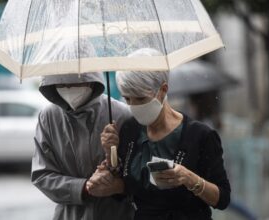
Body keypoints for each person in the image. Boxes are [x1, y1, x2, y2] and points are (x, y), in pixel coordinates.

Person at [98, 48, 231, 220]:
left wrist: (189, 178)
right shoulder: (129, 130)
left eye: (140, 99)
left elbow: (222, 199)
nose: (133, 106)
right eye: (127, 99)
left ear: (162, 90)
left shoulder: (200, 135)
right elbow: (123, 193)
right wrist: (110, 156)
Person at [31, 71, 133, 220]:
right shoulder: (48, 117)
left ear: (92, 81)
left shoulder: (121, 114)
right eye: (62, 84)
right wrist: (84, 188)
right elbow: (42, 175)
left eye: (76, 83)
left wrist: (113, 169)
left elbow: (137, 173)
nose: (69, 88)